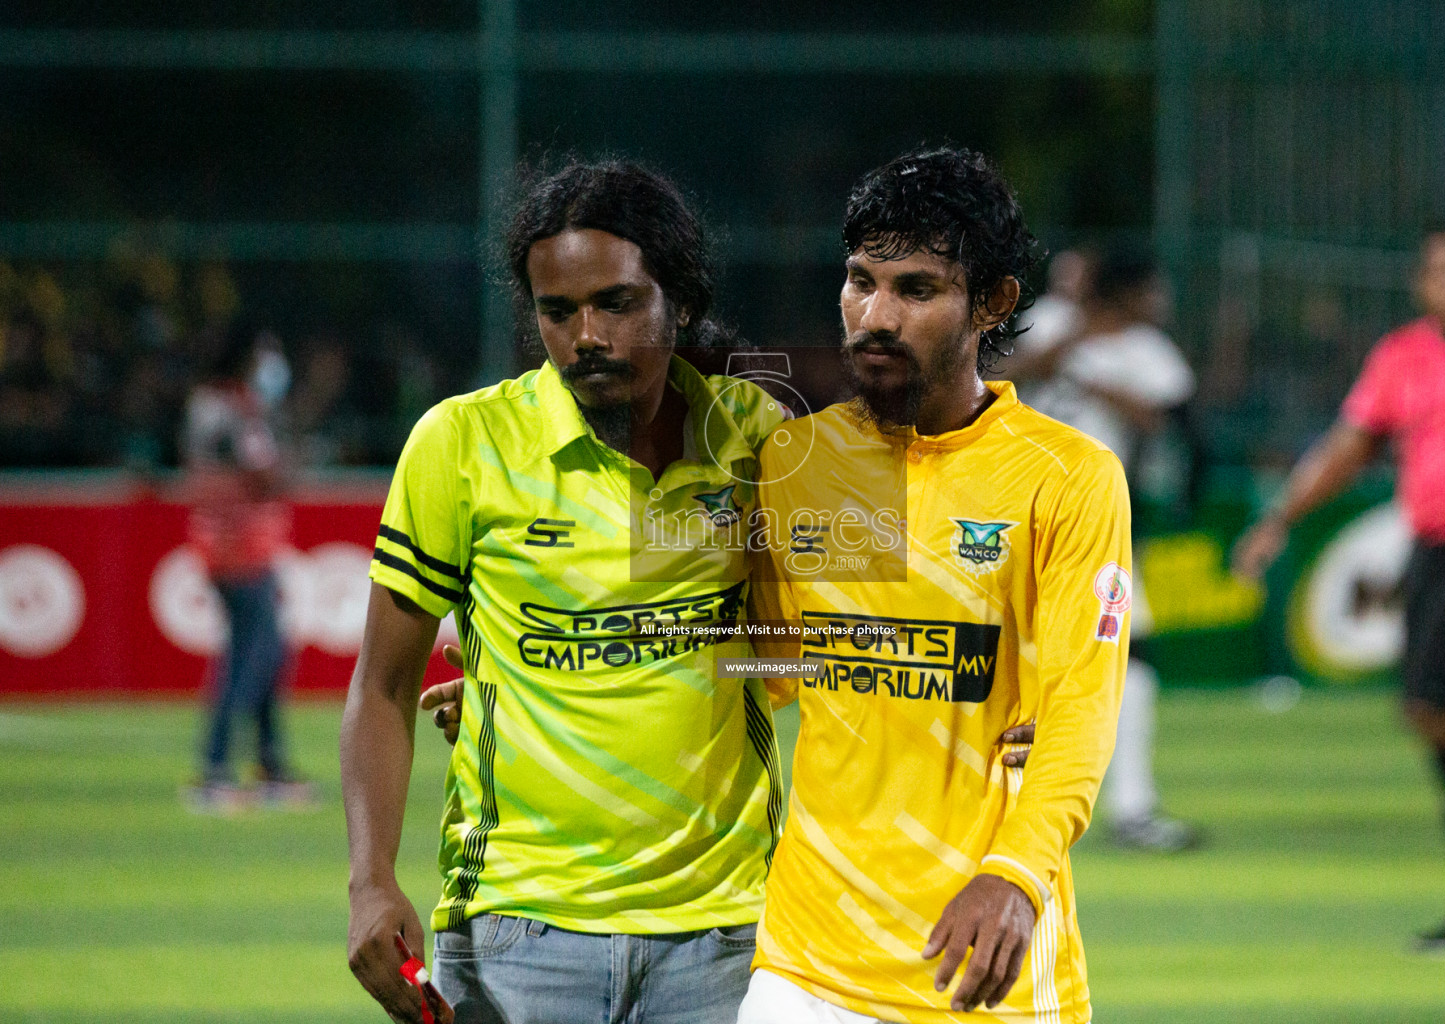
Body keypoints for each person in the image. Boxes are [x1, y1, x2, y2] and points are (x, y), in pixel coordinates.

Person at [341, 161, 791, 1024]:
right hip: (517, 936)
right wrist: (371, 881)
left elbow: (803, 657)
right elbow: (383, 686)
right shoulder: (464, 444)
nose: (585, 335)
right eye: (557, 311)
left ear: (680, 303)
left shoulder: (755, 439)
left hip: (729, 934)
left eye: (616, 304)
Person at [738, 147, 1129, 1024]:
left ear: (992, 304)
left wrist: (1017, 876)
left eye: (915, 290)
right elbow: (762, 668)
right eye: (859, 281)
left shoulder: (1066, 476)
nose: (874, 315)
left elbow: (1080, 708)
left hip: (984, 961)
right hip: (805, 971)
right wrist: (538, 684)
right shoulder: (800, 461)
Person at [1234, 224, 1445, 951]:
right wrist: (1281, 518)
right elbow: (1350, 444)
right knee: (1429, 709)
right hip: (1431, 548)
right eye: (1443, 271)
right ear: (1422, 284)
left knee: (1435, 703)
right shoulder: (1403, 357)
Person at [992, 245, 1198, 851]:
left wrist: (1093, 378)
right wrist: (1071, 342)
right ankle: (1110, 806)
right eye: (1149, 290)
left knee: (1130, 650)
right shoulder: (1050, 320)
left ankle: (1125, 804)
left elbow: (1174, 421)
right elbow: (996, 374)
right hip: (1015, 504)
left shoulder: (1146, 351)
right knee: (1025, 652)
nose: (1158, 302)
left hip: (1095, 513)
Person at [181, 316, 311, 812]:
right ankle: (215, 770)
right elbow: (269, 473)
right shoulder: (237, 410)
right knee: (252, 658)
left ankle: (270, 764)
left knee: (259, 651)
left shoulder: (205, 406)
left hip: (224, 546)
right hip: (242, 549)